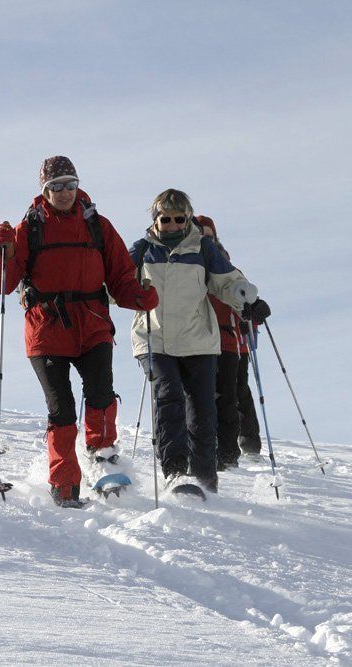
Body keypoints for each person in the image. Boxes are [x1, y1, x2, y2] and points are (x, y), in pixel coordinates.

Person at [0, 156, 158, 508]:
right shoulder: (29, 228)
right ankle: (64, 482)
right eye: (56, 186)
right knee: (61, 408)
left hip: (92, 323)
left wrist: (139, 297)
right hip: (46, 329)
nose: (64, 192)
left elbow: (121, 275)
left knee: (101, 392)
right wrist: (2, 252)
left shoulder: (97, 226)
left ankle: (104, 458)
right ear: (44, 190)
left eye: (70, 185)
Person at [130, 190, 269, 493]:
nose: (173, 225)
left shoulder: (203, 249)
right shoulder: (143, 250)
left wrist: (249, 302)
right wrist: (125, 293)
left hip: (198, 340)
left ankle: (205, 480)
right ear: (156, 219)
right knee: (168, 397)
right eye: (166, 219)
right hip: (156, 338)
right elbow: (117, 285)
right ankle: (175, 472)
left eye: (180, 219)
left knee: (203, 410)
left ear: (188, 219)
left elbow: (228, 282)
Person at [196, 216, 262, 469]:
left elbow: (245, 297)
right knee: (215, 392)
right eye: (200, 235)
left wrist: (251, 327)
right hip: (204, 339)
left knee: (237, 390)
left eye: (209, 235)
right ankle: (218, 443)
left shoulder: (228, 268)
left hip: (233, 339)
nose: (205, 240)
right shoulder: (191, 267)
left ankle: (247, 442)